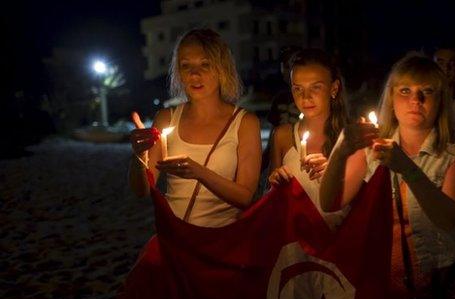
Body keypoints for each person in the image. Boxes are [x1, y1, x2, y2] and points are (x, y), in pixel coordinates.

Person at [320, 54, 455, 299]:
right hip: (381, 285)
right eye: (405, 90)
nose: (415, 99)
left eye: (426, 92)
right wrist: (340, 151)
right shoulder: (372, 149)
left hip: (439, 284)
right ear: (390, 97)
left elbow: (447, 218)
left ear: (440, 100)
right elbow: (331, 202)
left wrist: (407, 168)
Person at [128, 27, 261, 227]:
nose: (194, 74)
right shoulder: (166, 119)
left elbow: (245, 197)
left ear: (222, 68)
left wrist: (199, 172)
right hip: (176, 240)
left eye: (205, 65)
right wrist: (139, 155)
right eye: (185, 66)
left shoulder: (244, 123)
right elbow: (142, 190)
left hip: (224, 241)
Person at [268, 48, 349, 230]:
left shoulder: (351, 139)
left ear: (333, 88)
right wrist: (275, 182)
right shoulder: (283, 136)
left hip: (338, 245)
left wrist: (335, 176)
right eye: (298, 89)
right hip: (294, 249)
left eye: (316, 87)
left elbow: (367, 203)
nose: (305, 97)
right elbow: (270, 202)